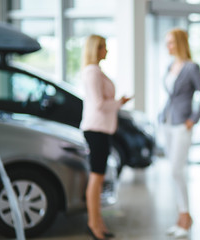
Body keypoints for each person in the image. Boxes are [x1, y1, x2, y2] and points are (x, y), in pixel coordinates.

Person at [80, 34, 131, 240]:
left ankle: (98, 221)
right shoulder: (92, 72)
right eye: (104, 47)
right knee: (96, 177)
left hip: (101, 130)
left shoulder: (96, 71)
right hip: (96, 130)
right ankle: (93, 224)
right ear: (96, 49)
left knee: (99, 177)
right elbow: (99, 104)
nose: (107, 51)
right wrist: (119, 102)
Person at [160, 28, 200, 238]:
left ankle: (185, 216)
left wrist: (193, 120)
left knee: (176, 171)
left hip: (182, 125)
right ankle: (181, 217)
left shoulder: (191, 68)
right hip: (166, 123)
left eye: (170, 42)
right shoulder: (170, 65)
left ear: (179, 43)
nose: (167, 46)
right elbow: (171, 96)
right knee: (174, 172)